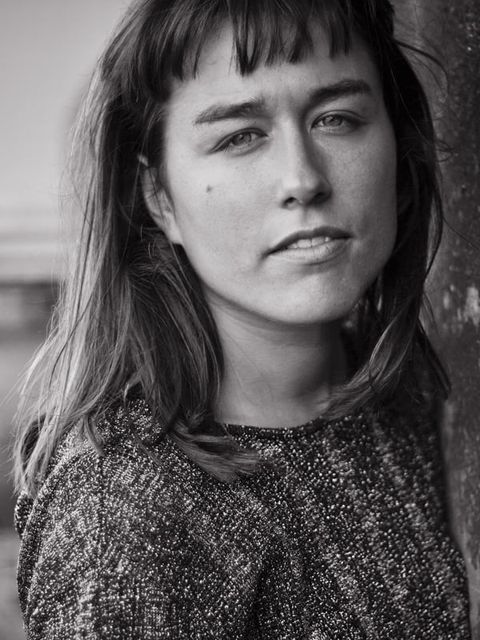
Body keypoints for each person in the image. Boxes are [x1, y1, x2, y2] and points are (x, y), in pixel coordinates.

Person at [13, 0, 471, 637]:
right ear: (158, 196)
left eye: (336, 118)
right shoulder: (127, 510)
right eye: (239, 136)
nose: (302, 179)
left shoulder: (416, 394)